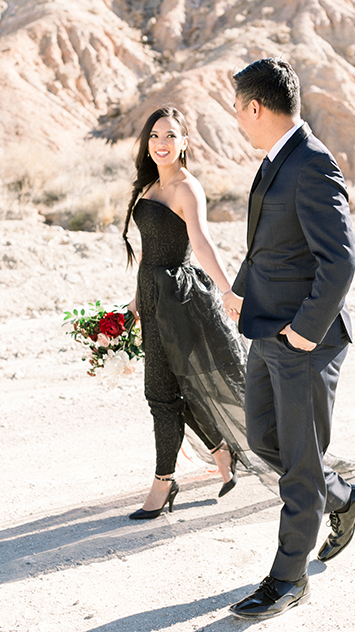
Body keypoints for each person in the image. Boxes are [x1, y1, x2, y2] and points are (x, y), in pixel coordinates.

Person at [222, 58, 355, 619]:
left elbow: (341, 261)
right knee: (264, 440)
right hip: (267, 330)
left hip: (304, 341)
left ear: (255, 107)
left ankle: (288, 579)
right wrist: (239, 288)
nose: (236, 117)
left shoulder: (312, 163)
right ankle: (344, 496)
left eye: (238, 107)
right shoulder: (274, 161)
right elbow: (270, 244)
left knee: (299, 466)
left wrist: (306, 333)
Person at [122, 106, 253, 520]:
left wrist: (229, 290)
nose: (162, 143)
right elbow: (147, 251)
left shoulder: (186, 187)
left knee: (161, 393)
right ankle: (221, 451)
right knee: (175, 389)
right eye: (155, 136)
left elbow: (201, 244)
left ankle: (164, 481)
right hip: (152, 293)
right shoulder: (148, 186)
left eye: (171, 136)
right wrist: (134, 301)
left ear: (184, 143)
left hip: (179, 299)